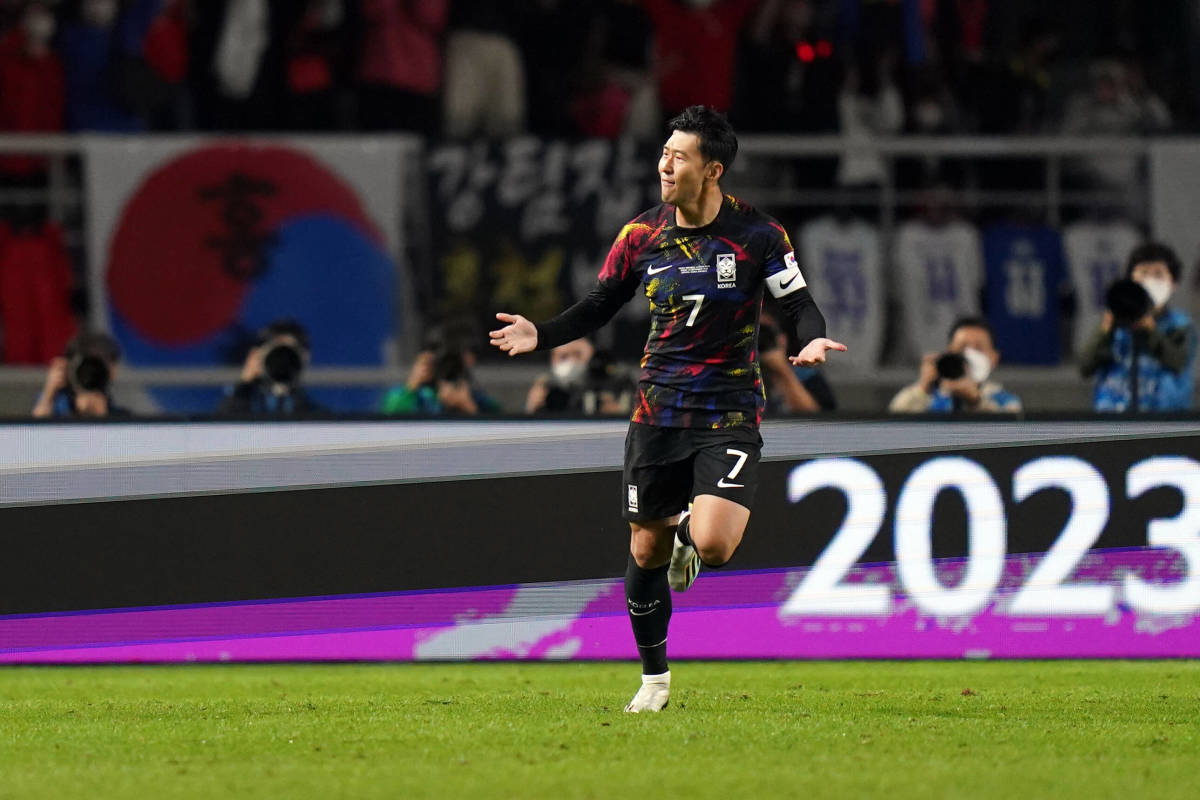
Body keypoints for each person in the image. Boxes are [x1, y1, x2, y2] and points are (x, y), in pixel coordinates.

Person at [490, 106, 844, 712]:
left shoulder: (759, 235)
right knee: (645, 550)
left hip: (729, 408)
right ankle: (654, 679)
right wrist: (542, 335)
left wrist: (811, 334)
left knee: (714, 546)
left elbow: (798, 302)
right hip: (658, 411)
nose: (664, 165)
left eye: (677, 157)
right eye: (663, 154)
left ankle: (689, 535)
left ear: (712, 169)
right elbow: (601, 304)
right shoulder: (641, 235)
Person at [1080, 243, 1196, 412]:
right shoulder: (1114, 320)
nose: (1149, 281)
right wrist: (1106, 330)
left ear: (1173, 283)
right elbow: (1085, 366)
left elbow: (1178, 361)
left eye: (1158, 274)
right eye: (1143, 273)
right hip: (1113, 422)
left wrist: (1149, 329)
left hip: (1165, 423)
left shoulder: (1180, 324)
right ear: (1131, 279)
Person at [888, 316, 1021, 414]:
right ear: (949, 352)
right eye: (962, 347)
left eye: (979, 348)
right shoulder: (930, 395)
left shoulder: (1006, 400)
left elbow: (1008, 435)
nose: (969, 354)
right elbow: (893, 422)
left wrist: (976, 401)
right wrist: (923, 388)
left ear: (994, 358)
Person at [218, 319, 321, 415]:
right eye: (277, 355)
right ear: (259, 355)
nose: (282, 362)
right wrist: (244, 384)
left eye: (288, 355)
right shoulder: (240, 405)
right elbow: (221, 427)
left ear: (304, 358)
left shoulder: (317, 417)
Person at [382, 339, 501, 416]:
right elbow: (388, 421)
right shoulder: (419, 397)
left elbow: (501, 433)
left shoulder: (478, 398)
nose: (447, 369)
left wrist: (469, 406)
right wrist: (412, 386)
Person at [525, 338, 634, 416]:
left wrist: (616, 414)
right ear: (552, 359)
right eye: (563, 357)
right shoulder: (545, 386)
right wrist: (532, 408)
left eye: (578, 355)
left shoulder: (617, 383)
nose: (571, 361)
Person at [32, 331, 128, 418]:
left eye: (97, 366)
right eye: (86, 366)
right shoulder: (55, 406)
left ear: (111, 371)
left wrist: (104, 417)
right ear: (69, 367)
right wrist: (48, 395)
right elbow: (35, 432)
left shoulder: (124, 419)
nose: (90, 372)